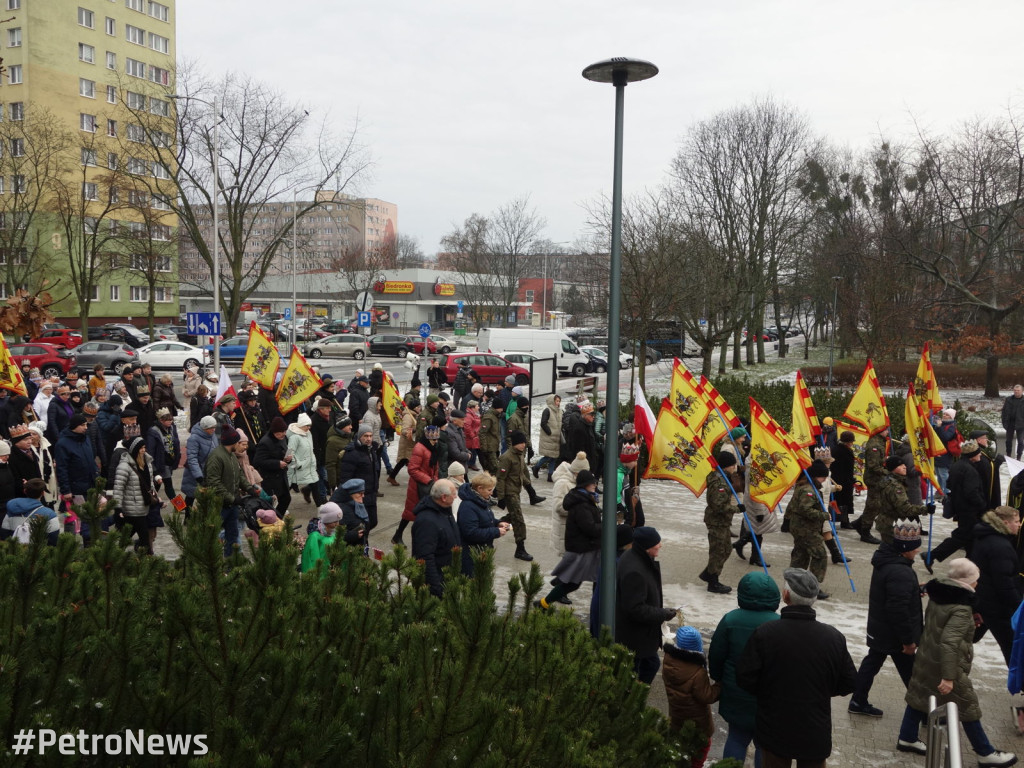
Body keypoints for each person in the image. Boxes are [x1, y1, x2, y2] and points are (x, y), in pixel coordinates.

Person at [896, 559, 1017, 766]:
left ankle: (907, 737)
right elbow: (950, 643)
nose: (978, 584)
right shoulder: (961, 608)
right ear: (967, 582)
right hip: (946, 664)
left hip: (928, 656)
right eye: (976, 580)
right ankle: (985, 752)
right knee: (967, 705)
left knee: (920, 692)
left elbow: (941, 629)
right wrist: (949, 677)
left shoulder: (940, 594)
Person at [736, 568, 857, 768]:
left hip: (774, 728)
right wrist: (821, 689)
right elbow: (849, 682)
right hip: (815, 731)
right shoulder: (833, 637)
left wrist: (768, 692)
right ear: (814, 599)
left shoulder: (766, 633)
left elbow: (745, 678)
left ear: (785, 596)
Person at [849, 518, 924, 718]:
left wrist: (915, 590)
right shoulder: (900, 571)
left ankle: (858, 699)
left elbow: (893, 594)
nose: (917, 551)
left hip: (881, 628)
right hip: (896, 635)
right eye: (915, 547)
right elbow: (898, 609)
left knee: (872, 662)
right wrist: (908, 641)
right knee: (913, 674)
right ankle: (922, 711)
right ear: (905, 548)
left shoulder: (889, 560)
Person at [709, 571, 781, 768]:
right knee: (762, 744)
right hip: (767, 695)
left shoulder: (730, 620)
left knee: (736, 738)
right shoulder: (779, 624)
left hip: (736, 690)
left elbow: (716, 654)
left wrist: (718, 678)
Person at [615, 525, 677, 684]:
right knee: (634, 670)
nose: (660, 545)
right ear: (646, 547)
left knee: (650, 664)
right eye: (656, 543)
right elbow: (635, 609)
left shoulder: (636, 558)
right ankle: (631, 699)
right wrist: (663, 614)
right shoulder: (634, 570)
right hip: (634, 635)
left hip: (639, 634)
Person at [537, 470, 602, 610]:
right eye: (592, 483)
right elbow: (589, 528)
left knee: (595, 579)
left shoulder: (586, 498)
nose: (595, 485)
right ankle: (543, 603)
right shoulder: (581, 504)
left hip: (587, 547)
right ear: (585, 485)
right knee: (574, 582)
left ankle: (545, 602)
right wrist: (606, 526)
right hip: (583, 548)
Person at [971, 506, 1022, 664]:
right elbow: (1004, 583)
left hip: (984, 600)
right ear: (1005, 523)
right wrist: (1018, 607)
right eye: (1017, 521)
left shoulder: (986, 536)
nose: (1019, 525)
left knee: (966, 637)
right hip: (997, 606)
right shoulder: (1000, 546)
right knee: (1013, 647)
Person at [662, 626, 720, 768]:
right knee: (700, 751)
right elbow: (706, 696)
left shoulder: (668, 661)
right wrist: (720, 686)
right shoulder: (697, 672)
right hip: (698, 724)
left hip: (676, 718)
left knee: (680, 749)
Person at [928, 439, 988, 570]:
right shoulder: (970, 470)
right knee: (961, 538)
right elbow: (971, 492)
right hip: (969, 510)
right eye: (978, 453)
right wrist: (982, 505)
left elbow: (949, 484)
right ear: (972, 455)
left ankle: (970, 564)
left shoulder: (957, 465)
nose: (980, 455)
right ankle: (931, 555)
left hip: (960, 508)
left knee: (970, 539)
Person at [204, 425, 257, 557]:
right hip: (219, 505)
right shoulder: (216, 457)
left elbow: (239, 476)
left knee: (232, 537)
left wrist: (249, 488)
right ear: (233, 442)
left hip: (232, 505)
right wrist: (232, 498)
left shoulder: (231, 456)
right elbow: (214, 482)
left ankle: (231, 563)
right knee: (212, 537)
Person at [495, 429, 545, 562]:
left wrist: (529, 488)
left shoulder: (520, 455)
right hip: (509, 493)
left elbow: (522, 474)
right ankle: (520, 549)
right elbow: (500, 478)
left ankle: (494, 524)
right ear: (514, 443)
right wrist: (501, 497)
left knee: (513, 516)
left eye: (524, 442)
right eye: (521, 443)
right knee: (519, 520)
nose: (523, 445)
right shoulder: (507, 457)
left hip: (516, 491)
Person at [785, 460, 832, 599]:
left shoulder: (806, 487)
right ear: (816, 476)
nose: (824, 480)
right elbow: (805, 509)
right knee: (820, 555)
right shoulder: (808, 490)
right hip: (806, 529)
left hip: (800, 528)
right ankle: (813, 586)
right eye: (823, 477)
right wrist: (823, 516)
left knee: (801, 555)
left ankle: (792, 582)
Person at [411, 479, 461, 597]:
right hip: (436, 585)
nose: (455, 497)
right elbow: (425, 558)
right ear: (443, 497)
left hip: (448, 577)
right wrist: (437, 588)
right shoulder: (427, 521)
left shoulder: (444, 511)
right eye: (454, 494)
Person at [393, 423, 441, 546]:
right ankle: (399, 535)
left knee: (421, 513)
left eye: (436, 439)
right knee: (410, 512)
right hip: (418, 486)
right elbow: (412, 469)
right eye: (433, 439)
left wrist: (434, 480)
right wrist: (428, 480)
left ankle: (404, 536)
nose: (436, 441)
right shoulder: (419, 448)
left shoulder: (432, 448)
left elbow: (435, 467)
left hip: (428, 485)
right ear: (428, 438)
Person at [112, 437, 162, 555]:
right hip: (132, 509)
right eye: (141, 448)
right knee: (143, 537)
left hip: (143, 507)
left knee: (127, 536)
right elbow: (118, 489)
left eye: (144, 447)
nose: (144, 450)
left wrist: (155, 496)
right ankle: (146, 559)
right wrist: (117, 507)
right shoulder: (124, 467)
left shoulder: (147, 464)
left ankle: (114, 556)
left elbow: (149, 484)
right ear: (134, 449)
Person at [700, 451, 740, 594]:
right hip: (717, 521)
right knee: (718, 551)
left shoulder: (724, 478)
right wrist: (736, 509)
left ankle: (709, 573)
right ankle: (713, 582)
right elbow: (718, 506)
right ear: (726, 466)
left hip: (722, 522)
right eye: (732, 465)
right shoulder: (719, 482)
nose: (734, 467)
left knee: (726, 549)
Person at [456, 471, 510, 576]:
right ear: (479, 488)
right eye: (489, 490)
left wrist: (498, 523)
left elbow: (485, 520)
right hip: (471, 555)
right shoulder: (468, 507)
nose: (491, 493)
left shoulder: (481, 500)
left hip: (482, 552)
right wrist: (496, 532)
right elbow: (470, 533)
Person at [334, 422, 380, 532]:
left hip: (371, 494)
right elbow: (345, 478)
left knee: (373, 522)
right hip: (359, 496)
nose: (369, 439)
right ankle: (361, 545)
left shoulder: (371, 450)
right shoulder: (352, 453)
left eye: (370, 436)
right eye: (365, 436)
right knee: (363, 525)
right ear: (360, 437)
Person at [875, 455, 930, 544]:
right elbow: (904, 509)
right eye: (900, 465)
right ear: (893, 468)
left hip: (886, 522)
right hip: (892, 525)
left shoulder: (888, 480)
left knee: (887, 550)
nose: (905, 467)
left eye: (904, 464)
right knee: (892, 552)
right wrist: (926, 509)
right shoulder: (896, 487)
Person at [54, 413, 98, 511]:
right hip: (75, 486)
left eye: (86, 424)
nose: (85, 428)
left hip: (90, 483)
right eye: (82, 425)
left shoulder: (85, 438)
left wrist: (96, 475)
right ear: (74, 426)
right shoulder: (63, 444)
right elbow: (62, 468)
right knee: (76, 517)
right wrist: (66, 490)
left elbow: (91, 459)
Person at [550, 451, 590, 559]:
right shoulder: (563, 484)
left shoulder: (576, 483)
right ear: (577, 473)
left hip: (572, 530)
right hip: (563, 530)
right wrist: (581, 510)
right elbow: (559, 506)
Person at [853, 428, 887, 544]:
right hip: (874, 479)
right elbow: (874, 466)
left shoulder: (880, 442)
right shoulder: (875, 445)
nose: (887, 432)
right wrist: (889, 472)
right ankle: (865, 532)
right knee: (873, 506)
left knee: (876, 505)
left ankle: (859, 523)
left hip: (878, 479)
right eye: (886, 429)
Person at [253, 417, 292, 516]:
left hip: (281, 477)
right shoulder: (265, 442)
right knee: (271, 504)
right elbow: (258, 461)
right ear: (274, 432)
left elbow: (283, 452)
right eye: (281, 432)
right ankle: (272, 521)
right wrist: (277, 463)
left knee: (286, 499)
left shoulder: (283, 438)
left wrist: (288, 459)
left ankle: (278, 519)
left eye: (284, 431)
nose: (283, 434)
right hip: (270, 479)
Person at [287, 413, 323, 506]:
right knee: (289, 487)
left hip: (310, 466)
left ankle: (320, 509)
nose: (309, 427)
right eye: (307, 425)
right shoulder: (294, 437)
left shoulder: (308, 434)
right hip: (299, 468)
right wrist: (297, 464)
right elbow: (290, 453)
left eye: (310, 425)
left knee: (315, 487)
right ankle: (279, 506)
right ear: (302, 425)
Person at [301, 502, 342, 574]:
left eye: (338, 521)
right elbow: (311, 559)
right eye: (334, 521)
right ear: (327, 521)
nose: (337, 524)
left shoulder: (335, 533)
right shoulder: (315, 537)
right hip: (320, 575)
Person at [335, 478, 370, 547]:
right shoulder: (339, 510)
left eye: (363, 493)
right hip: (348, 550)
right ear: (351, 494)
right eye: (360, 493)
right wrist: (353, 535)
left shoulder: (357, 505)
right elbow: (335, 534)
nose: (363, 496)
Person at [324, 415, 354, 492]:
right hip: (341, 479)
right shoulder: (333, 442)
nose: (351, 427)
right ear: (342, 426)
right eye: (348, 425)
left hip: (350, 476)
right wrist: (333, 485)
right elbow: (331, 464)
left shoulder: (347, 437)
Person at [933, 409, 960, 495]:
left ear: (951, 417)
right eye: (944, 414)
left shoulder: (951, 427)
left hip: (945, 454)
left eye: (947, 415)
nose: (944, 415)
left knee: (943, 474)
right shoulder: (942, 425)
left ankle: (947, 490)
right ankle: (940, 490)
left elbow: (945, 437)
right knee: (938, 473)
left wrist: (939, 427)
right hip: (938, 452)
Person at [477, 394, 501, 474]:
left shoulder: (496, 416)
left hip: (494, 447)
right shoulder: (489, 417)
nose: (502, 410)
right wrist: (484, 448)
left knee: (492, 469)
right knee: (494, 469)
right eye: (501, 408)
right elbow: (482, 433)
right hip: (489, 448)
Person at [1002, 384, 1024, 460]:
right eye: (1015, 390)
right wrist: (1004, 423)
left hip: (1021, 424)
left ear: (1022, 391)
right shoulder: (1008, 399)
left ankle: (1018, 457)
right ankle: (1008, 455)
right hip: (1010, 423)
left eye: (1018, 390)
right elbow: (1004, 411)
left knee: (1021, 442)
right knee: (1008, 441)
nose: (1016, 392)